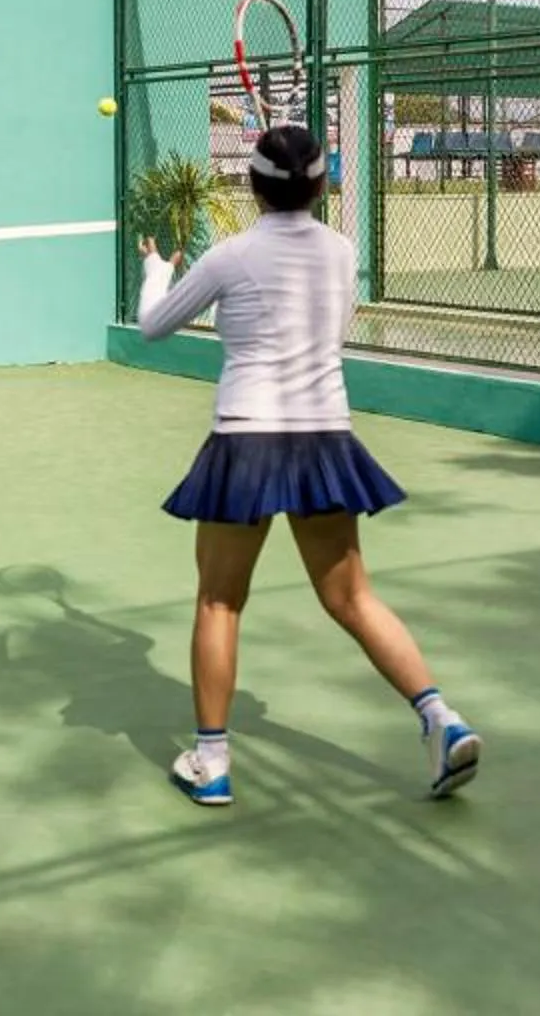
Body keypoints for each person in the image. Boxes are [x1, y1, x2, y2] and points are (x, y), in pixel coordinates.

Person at [136, 122, 480, 807]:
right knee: (352, 597)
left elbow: (153, 325)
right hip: (324, 436)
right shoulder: (342, 252)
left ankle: (212, 763)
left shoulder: (229, 258)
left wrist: (157, 272)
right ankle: (441, 719)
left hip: (248, 438)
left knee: (219, 599)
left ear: (253, 184)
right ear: (320, 185)